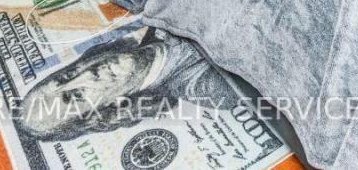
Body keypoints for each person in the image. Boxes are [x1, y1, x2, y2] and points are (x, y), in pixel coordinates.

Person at [17, 27, 247, 145]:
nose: (86, 74)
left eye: (67, 75)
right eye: (76, 95)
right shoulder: (207, 88)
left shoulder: (152, 29)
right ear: (107, 111)